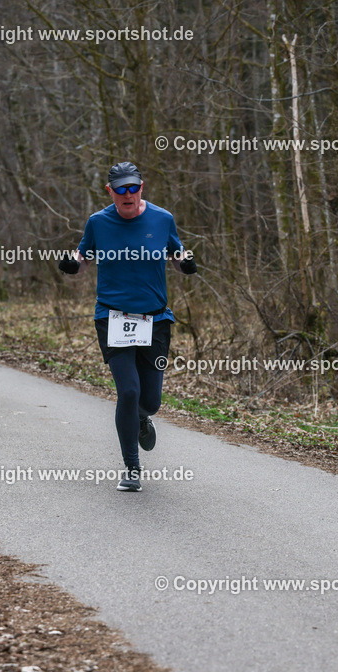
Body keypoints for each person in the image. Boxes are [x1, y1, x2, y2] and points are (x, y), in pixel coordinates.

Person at [59, 161, 197, 491]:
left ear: (141, 187)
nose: (128, 194)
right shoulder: (98, 222)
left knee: (150, 401)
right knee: (129, 391)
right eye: (120, 189)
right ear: (110, 191)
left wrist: (186, 262)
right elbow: (82, 258)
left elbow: (177, 255)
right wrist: (69, 264)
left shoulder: (162, 219)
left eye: (133, 188)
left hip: (156, 319)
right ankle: (131, 468)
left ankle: (140, 417)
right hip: (113, 317)